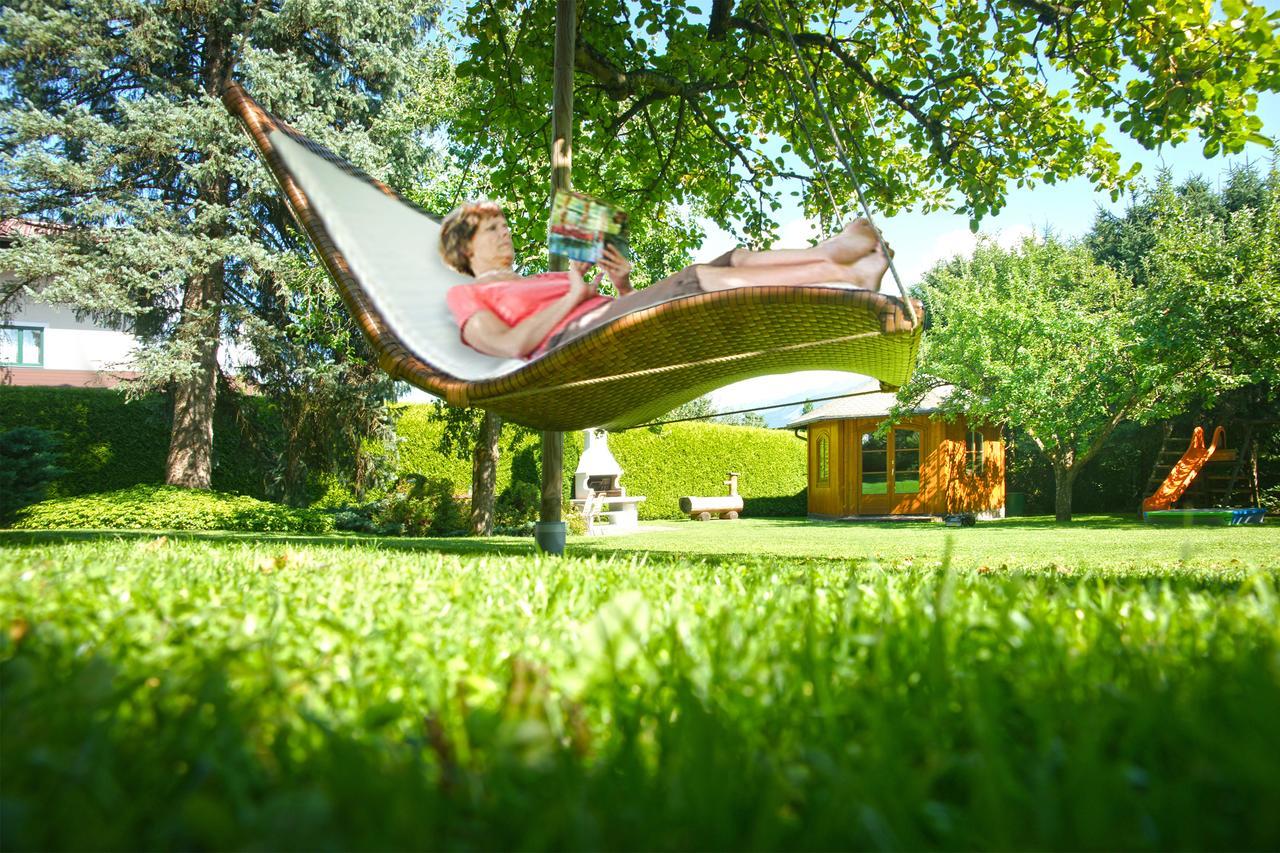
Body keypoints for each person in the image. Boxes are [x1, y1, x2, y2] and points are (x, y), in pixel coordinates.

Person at [440, 199, 892, 360]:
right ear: (465, 247)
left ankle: (830, 257)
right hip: (573, 344)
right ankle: (837, 271)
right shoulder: (467, 293)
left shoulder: (541, 277)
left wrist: (620, 284)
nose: (506, 233)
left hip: (604, 320)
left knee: (728, 259)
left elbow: (624, 309)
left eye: (505, 226)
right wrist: (575, 294)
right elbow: (509, 345)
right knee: (696, 280)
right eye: (492, 229)